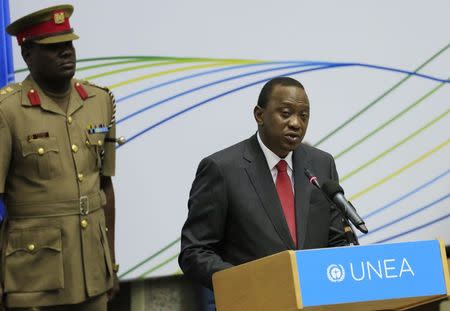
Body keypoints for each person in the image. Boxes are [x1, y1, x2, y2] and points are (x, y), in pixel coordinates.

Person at [0, 5, 119, 310]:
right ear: (28, 55)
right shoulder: (8, 111)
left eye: (69, 44)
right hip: (34, 278)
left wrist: (111, 266)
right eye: (53, 47)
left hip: (92, 274)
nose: (66, 53)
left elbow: (104, 187)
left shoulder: (98, 101)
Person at [179, 77, 347, 289]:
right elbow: (195, 252)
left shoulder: (321, 164)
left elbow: (337, 241)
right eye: (285, 114)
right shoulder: (221, 169)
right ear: (259, 115)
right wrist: (247, 281)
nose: (296, 123)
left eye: (303, 116)